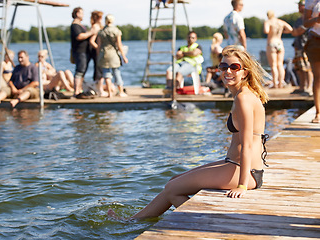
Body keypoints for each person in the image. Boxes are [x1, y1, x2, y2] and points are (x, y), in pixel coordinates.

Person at [108, 45, 269, 220]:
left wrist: (242, 186)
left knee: (173, 189)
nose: (227, 71)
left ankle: (203, 220)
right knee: (173, 182)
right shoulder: (240, 94)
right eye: (223, 67)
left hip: (245, 172)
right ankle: (134, 220)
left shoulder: (243, 98)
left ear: (245, 72)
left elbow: (247, 145)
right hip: (235, 165)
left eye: (234, 67)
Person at [97, 14, 128, 98]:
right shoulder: (116, 31)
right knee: (116, 72)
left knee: (106, 74)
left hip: (104, 54)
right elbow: (119, 45)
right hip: (113, 54)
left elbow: (99, 46)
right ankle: (121, 92)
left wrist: (97, 56)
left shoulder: (101, 32)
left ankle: (110, 94)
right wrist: (124, 57)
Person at [71, 7, 97, 97]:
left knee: (83, 71)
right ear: (77, 14)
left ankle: (79, 89)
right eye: (81, 13)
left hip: (85, 52)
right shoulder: (75, 25)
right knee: (80, 70)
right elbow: (79, 36)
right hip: (79, 51)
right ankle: (76, 91)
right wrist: (91, 32)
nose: (83, 15)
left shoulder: (81, 25)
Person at [263, 10, 293, 88]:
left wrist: (271, 31)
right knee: (280, 65)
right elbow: (290, 29)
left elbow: (266, 31)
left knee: (273, 65)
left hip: (271, 43)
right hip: (280, 43)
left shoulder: (268, 22)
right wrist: (282, 31)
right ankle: (280, 84)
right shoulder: (280, 22)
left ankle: (275, 84)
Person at [291, 0, 313, 96]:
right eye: (299, 6)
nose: (299, 8)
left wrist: (298, 30)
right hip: (298, 46)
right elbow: (294, 32)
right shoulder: (299, 19)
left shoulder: (309, 18)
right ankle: (302, 87)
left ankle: (309, 88)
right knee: (299, 68)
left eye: (301, 6)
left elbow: (297, 31)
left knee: (308, 68)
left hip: (306, 46)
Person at [304, 0, 320, 123]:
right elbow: (305, 22)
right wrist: (315, 20)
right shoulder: (311, 1)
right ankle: (318, 113)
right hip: (315, 41)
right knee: (318, 77)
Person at [89, 10, 107, 97]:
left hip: (98, 52)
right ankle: (100, 91)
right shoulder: (96, 27)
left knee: (99, 71)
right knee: (100, 72)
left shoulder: (98, 26)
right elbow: (92, 41)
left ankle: (100, 89)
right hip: (97, 53)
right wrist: (99, 50)